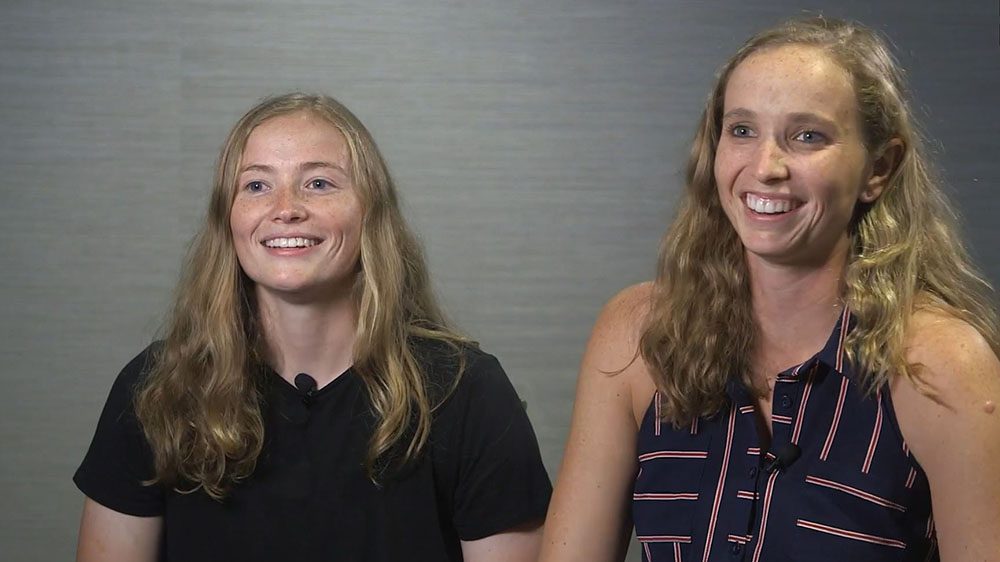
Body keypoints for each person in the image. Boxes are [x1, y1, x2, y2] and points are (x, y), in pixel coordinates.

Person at [540, 16, 1000, 562]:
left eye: (808, 136)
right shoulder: (635, 335)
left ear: (879, 168)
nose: (766, 167)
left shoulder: (942, 364)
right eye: (742, 130)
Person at [74, 93, 551, 562]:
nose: (285, 208)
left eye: (319, 183)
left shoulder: (467, 392)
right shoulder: (156, 387)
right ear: (228, 218)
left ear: (370, 213)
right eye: (257, 186)